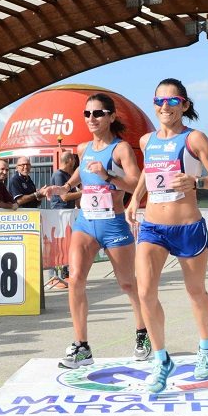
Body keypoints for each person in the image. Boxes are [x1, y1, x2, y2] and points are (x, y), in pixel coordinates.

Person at [126, 78, 208, 394]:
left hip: (187, 227)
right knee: (145, 292)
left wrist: (197, 182)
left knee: (195, 292)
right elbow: (148, 171)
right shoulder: (146, 141)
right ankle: (161, 359)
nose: (165, 107)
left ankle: (206, 345)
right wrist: (134, 199)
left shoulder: (194, 138)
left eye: (172, 101)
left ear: (184, 105)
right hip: (153, 227)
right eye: (159, 101)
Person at [41, 93, 150, 368]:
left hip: (113, 223)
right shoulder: (83, 148)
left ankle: (143, 332)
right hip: (86, 222)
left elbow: (137, 183)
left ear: (111, 116)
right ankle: (82, 346)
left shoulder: (121, 149)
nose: (92, 118)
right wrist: (64, 187)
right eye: (87, 113)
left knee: (127, 284)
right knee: (76, 278)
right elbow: (80, 173)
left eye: (98, 113)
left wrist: (108, 176)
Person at [48, 152, 81, 288]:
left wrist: (79, 205)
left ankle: (66, 274)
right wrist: (83, 192)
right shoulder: (59, 175)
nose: (75, 163)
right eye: (74, 160)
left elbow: (73, 196)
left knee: (68, 245)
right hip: (59, 213)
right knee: (58, 244)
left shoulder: (68, 176)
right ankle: (53, 276)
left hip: (68, 213)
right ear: (69, 160)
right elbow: (64, 197)